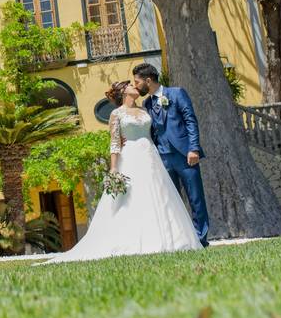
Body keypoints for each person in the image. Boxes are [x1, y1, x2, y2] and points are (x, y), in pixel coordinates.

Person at [46, 80, 201, 263]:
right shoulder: (116, 114)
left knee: (158, 195)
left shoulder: (145, 109)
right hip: (130, 158)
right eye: (130, 85)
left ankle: (171, 239)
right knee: (133, 199)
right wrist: (113, 169)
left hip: (151, 157)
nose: (135, 86)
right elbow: (114, 143)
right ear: (124, 92)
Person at [132, 63, 210, 247]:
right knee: (171, 201)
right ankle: (180, 239)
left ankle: (201, 239)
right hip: (163, 158)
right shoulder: (147, 103)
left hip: (185, 156)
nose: (136, 86)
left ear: (148, 80)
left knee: (195, 198)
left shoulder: (176, 93)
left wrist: (194, 149)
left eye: (137, 82)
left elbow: (191, 120)